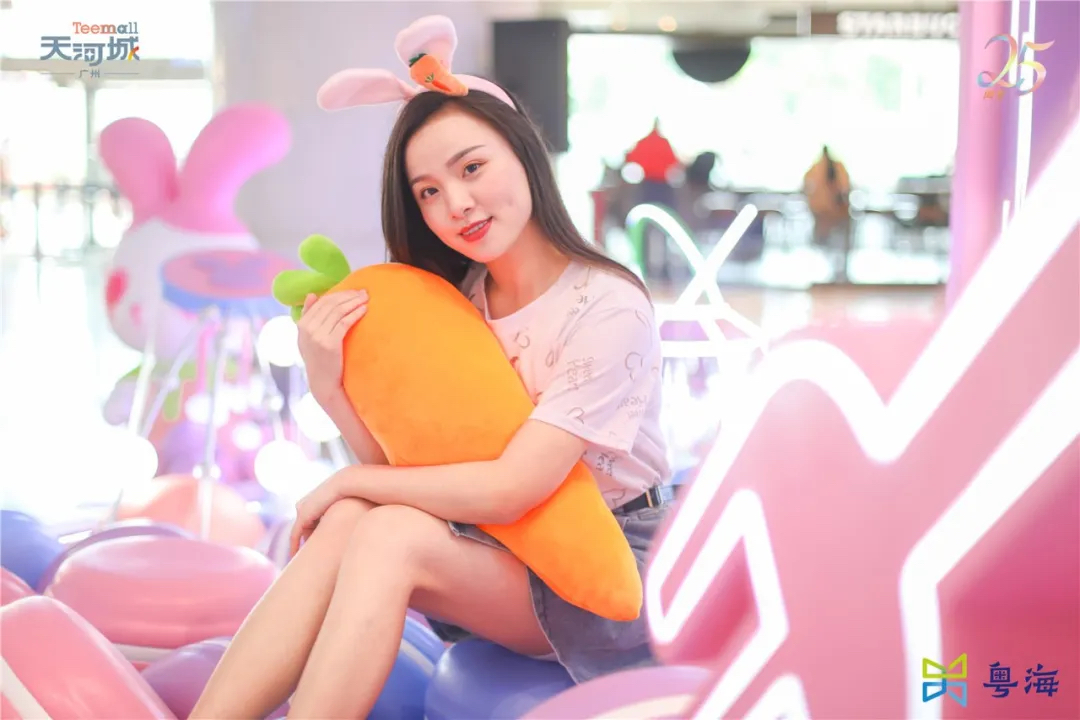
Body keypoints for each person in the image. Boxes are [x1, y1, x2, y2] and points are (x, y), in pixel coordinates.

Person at [190, 16, 674, 720]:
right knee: (358, 516)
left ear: (522, 153)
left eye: (471, 168)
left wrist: (350, 481)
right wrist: (328, 383)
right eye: (428, 192)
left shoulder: (606, 306)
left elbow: (511, 487)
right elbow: (406, 466)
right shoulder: (457, 298)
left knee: (385, 525)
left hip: (608, 568)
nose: (457, 205)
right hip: (496, 550)